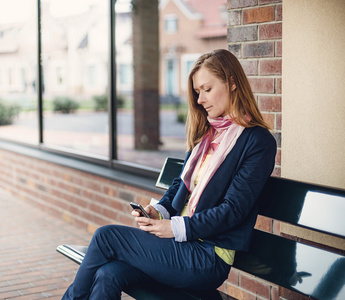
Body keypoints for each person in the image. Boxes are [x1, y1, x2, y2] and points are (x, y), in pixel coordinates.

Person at [62, 49, 277, 299]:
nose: (199, 100)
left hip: (207, 256)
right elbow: (181, 186)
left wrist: (174, 228)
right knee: (108, 273)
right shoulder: (207, 135)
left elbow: (233, 210)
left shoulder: (257, 141)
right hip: (177, 247)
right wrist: (160, 212)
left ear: (232, 83)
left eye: (207, 89)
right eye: (197, 92)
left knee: (106, 236)